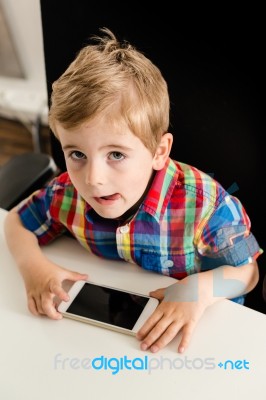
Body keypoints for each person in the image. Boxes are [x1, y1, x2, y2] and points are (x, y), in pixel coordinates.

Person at [4, 28, 263, 354]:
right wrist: (34, 269)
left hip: (197, 343)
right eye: (77, 154)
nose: (93, 179)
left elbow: (248, 272)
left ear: (158, 151)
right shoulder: (67, 193)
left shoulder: (205, 207)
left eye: (116, 155)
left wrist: (199, 290)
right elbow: (16, 222)